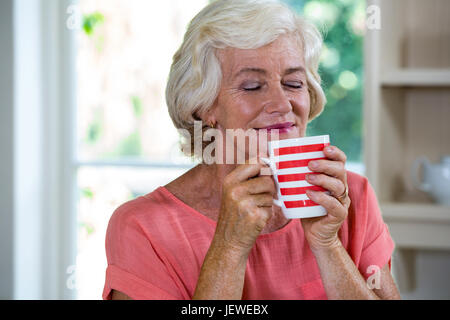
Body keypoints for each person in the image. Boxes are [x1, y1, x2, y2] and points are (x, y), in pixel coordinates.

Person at [102, 0, 401, 300]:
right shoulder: (143, 227)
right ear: (204, 106)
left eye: (293, 83)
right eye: (252, 87)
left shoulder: (352, 198)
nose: (283, 104)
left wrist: (328, 246)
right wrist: (229, 247)